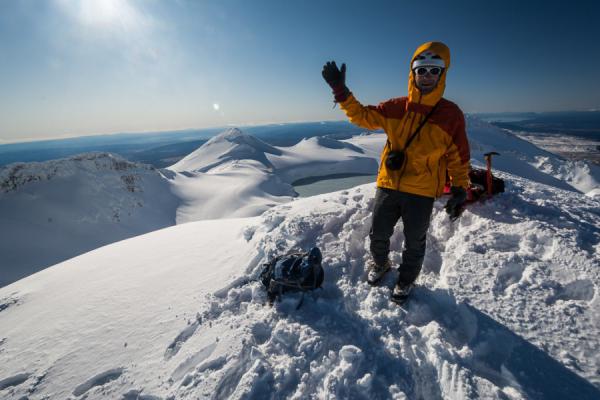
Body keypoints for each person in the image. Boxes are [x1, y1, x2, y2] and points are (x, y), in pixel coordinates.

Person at [322, 41, 470, 303]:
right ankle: (380, 265)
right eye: (421, 70)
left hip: (422, 191)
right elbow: (362, 116)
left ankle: (406, 280)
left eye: (434, 70)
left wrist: (460, 187)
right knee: (378, 233)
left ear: (443, 73)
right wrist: (341, 91)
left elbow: (458, 156)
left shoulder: (451, 115)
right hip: (389, 184)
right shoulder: (395, 107)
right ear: (412, 73)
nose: (426, 76)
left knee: (415, 241)